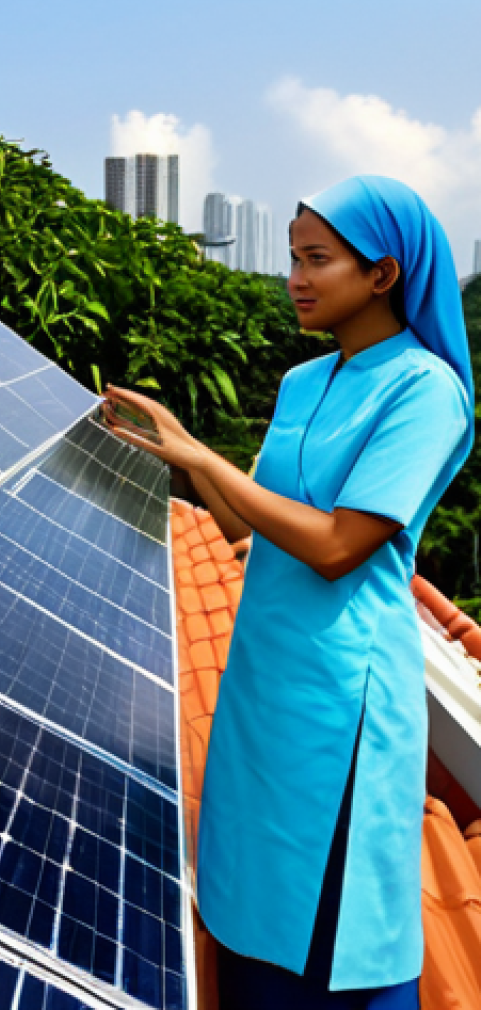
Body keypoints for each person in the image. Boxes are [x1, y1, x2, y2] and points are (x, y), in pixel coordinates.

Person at [102, 176, 474, 1009]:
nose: (295, 279)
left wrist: (206, 460)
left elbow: (339, 546)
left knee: (334, 930)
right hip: (263, 680)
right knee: (250, 909)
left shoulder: (425, 391)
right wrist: (177, 451)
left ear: (382, 274)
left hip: (342, 695)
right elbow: (249, 525)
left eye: (317, 260)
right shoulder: (304, 381)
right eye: (293, 258)